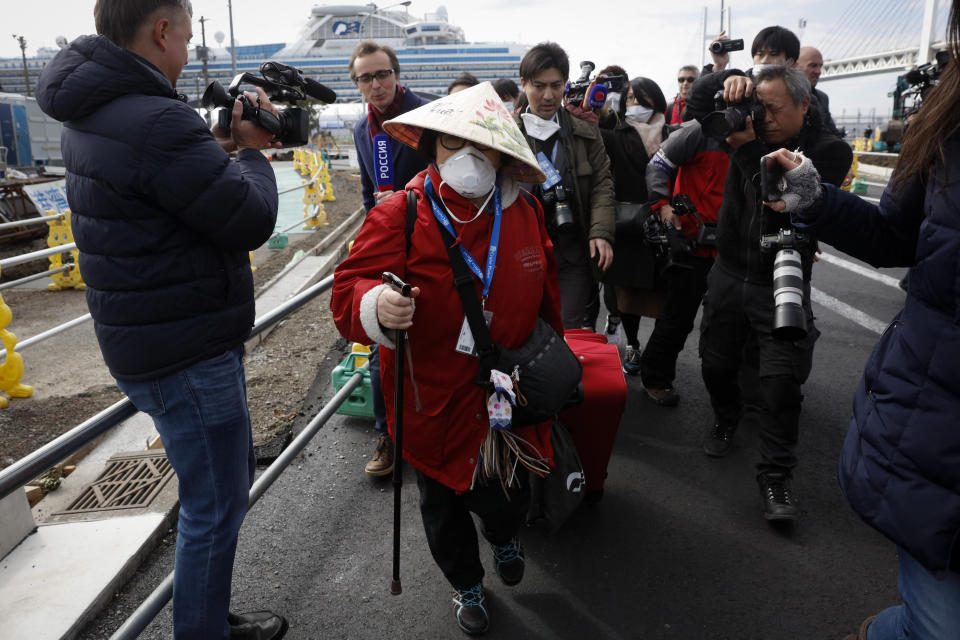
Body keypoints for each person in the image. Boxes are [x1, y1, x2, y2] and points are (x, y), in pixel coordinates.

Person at [35, 1, 287, 638]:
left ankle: (206, 618)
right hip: (188, 351)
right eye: (189, 30)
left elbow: (157, 190)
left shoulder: (96, 109)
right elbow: (250, 219)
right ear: (162, 30)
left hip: (148, 338)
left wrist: (214, 147)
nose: (188, 45)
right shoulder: (154, 120)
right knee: (216, 506)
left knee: (209, 502)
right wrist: (254, 154)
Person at [331, 82, 562, 636]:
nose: (468, 160)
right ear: (432, 146)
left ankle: (504, 536)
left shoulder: (525, 211)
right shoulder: (401, 213)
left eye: (482, 148)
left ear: (504, 156)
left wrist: (556, 358)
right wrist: (376, 304)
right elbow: (347, 288)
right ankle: (466, 584)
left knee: (504, 495)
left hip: (505, 391)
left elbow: (548, 297)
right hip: (426, 395)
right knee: (440, 505)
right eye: (453, 146)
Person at [766, 4, 960, 636]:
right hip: (940, 424)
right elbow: (892, 235)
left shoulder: (834, 133)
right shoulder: (946, 120)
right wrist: (815, 200)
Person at [698, 65, 852, 521]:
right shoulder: (743, 125)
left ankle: (776, 477)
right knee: (715, 363)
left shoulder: (829, 151)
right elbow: (696, 105)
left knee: (781, 384)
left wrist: (747, 150)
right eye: (756, 105)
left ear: (805, 104)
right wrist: (726, 80)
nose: (760, 116)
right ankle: (726, 416)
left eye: (772, 108)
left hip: (781, 277)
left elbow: (784, 196)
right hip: (728, 270)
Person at [350, 40, 431, 476]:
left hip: (437, 245)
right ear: (357, 83)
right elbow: (367, 195)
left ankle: (434, 434)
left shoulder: (427, 113)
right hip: (389, 251)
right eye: (366, 77)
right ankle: (388, 435)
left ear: (397, 75)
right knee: (383, 340)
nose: (376, 83)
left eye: (382, 74)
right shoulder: (362, 131)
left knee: (437, 341)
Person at [641, 73, 730, 405]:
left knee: (729, 327)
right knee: (677, 321)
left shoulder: (755, 139)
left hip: (733, 252)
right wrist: (663, 207)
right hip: (691, 246)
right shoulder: (696, 132)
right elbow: (657, 166)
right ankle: (655, 379)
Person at [514, 42, 615, 330]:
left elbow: (602, 185)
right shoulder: (505, 135)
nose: (548, 95)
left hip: (571, 249)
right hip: (519, 251)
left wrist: (601, 233)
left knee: (566, 328)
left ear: (565, 85)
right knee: (521, 327)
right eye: (539, 86)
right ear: (524, 84)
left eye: (556, 86)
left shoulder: (586, 133)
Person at [599, 77, 669, 374]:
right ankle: (632, 344)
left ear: (656, 101)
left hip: (663, 223)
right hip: (628, 223)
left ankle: (657, 352)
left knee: (665, 292)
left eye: (642, 98)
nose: (635, 104)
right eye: (629, 98)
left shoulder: (671, 132)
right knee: (627, 292)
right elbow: (596, 134)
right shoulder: (615, 131)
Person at [797, 46, 840, 135]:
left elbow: (832, 132)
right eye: (813, 65)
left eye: (820, 66)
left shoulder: (822, 98)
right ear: (795, 66)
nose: (818, 71)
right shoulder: (781, 95)